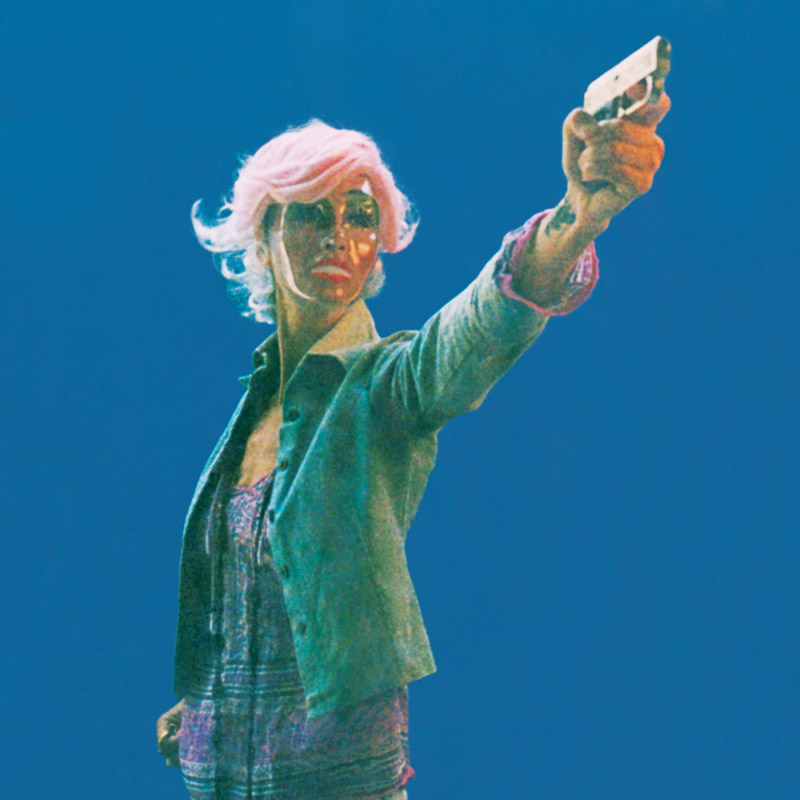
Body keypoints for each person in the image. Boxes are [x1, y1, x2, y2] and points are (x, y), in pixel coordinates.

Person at [157, 90, 670, 799]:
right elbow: (245, 594)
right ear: (264, 234)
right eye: (312, 213)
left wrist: (574, 223)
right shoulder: (255, 406)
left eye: (361, 216)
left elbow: (473, 333)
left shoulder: (384, 386)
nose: (340, 236)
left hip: (341, 782)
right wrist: (206, 707)